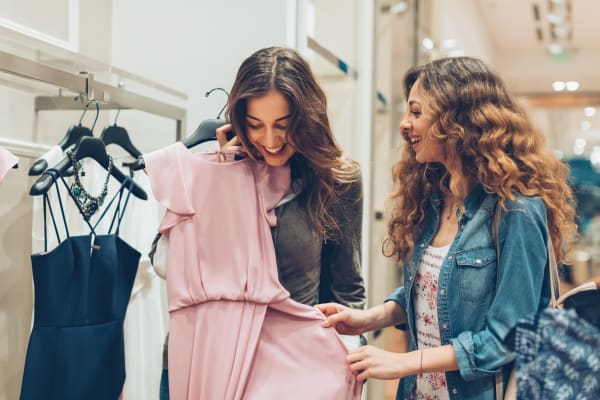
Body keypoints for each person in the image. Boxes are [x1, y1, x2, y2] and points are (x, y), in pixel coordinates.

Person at [317, 56, 577, 400]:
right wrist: (368, 318)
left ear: (457, 120)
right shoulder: (433, 197)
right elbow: (430, 292)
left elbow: (507, 336)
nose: (404, 123)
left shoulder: (517, 210)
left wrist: (405, 362)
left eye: (416, 111)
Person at [158, 46, 365, 399]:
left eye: (283, 126)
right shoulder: (212, 168)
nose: (269, 141)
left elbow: (347, 290)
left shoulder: (336, 179)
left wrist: (345, 368)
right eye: (255, 125)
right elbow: (164, 263)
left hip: (292, 371)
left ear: (307, 119)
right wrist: (221, 180)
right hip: (205, 359)